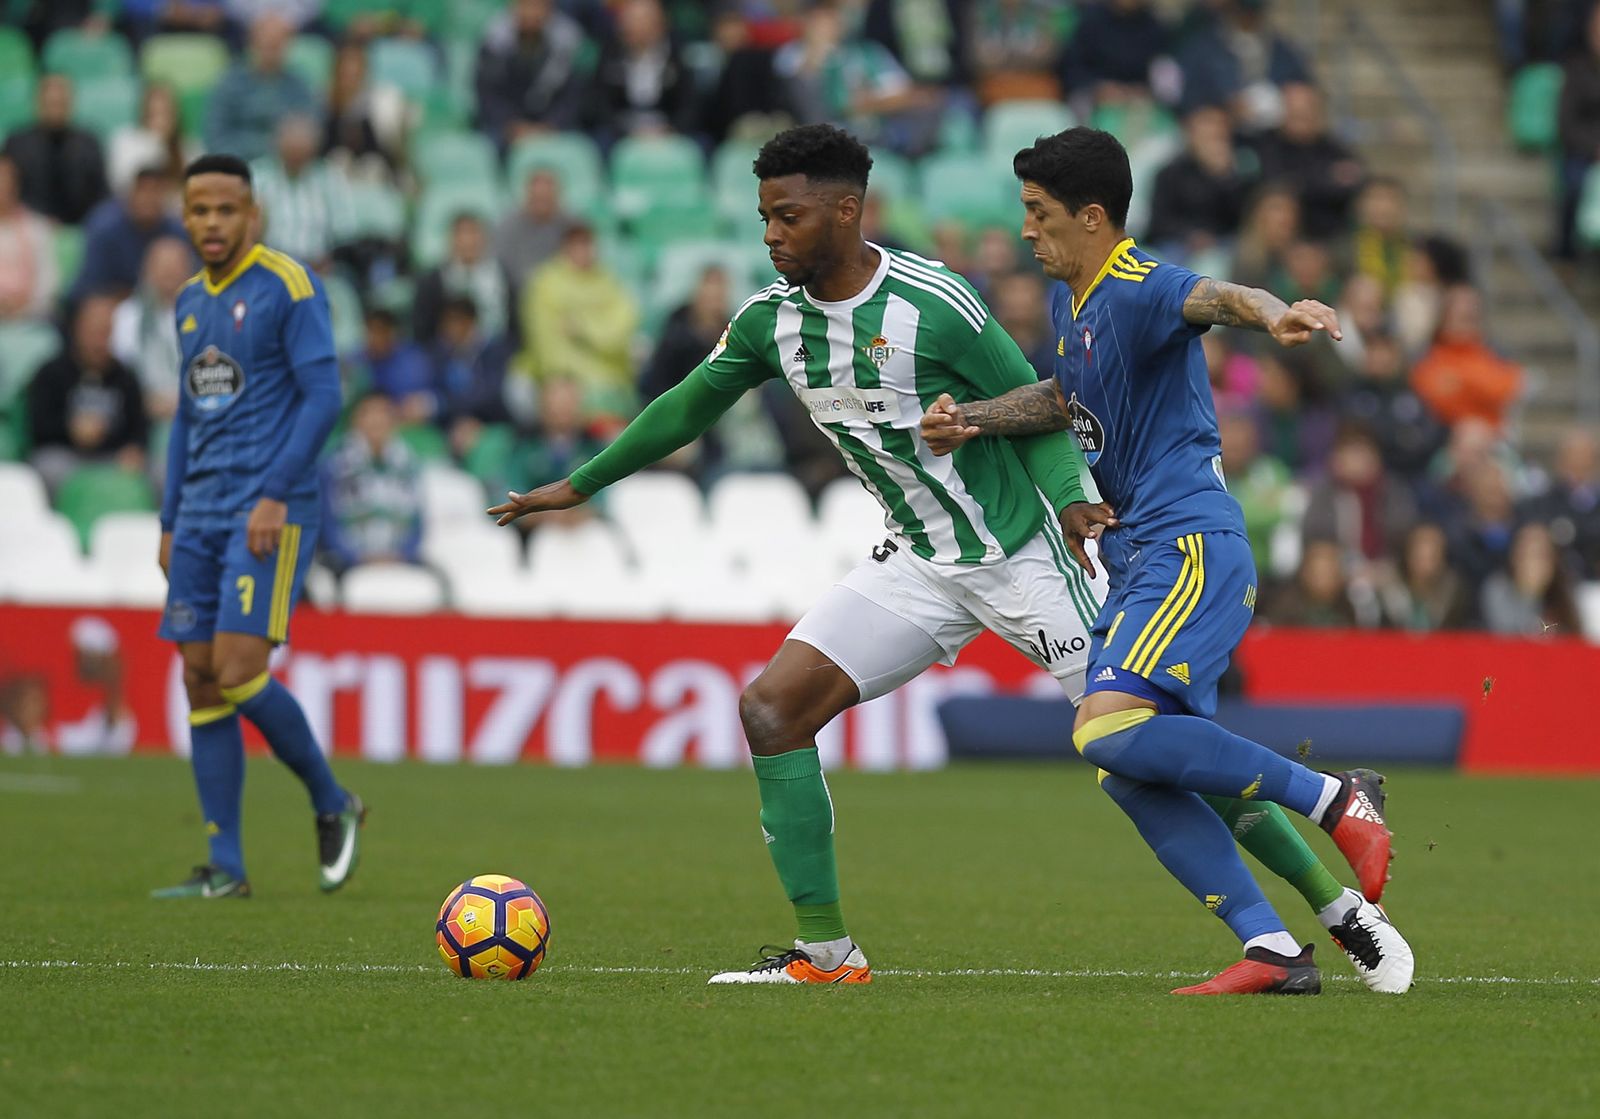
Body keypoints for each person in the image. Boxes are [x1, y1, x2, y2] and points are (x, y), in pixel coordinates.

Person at [490, 125, 1411, 994]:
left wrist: (1072, 499)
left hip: (1029, 557)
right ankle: (827, 952)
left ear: (844, 212)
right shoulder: (771, 323)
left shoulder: (937, 304)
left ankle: (1334, 908)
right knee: (772, 708)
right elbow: (685, 406)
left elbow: (1041, 400)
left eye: (788, 215)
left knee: (1140, 745)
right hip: (920, 562)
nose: (771, 234)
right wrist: (582, 483)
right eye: (765, 215)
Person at [920, 127, 1403, 995]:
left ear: (1093, 216)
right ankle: (1272, 947)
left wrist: (1276, 313)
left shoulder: (1138, 284)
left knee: (1105, 726)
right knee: (1125, 765)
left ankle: (1336, 798)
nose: (1026, 231)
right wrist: (975, 421)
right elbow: (1063, 400)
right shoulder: (1075, 305)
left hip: (1192, 547)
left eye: (1039, 213)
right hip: (1140, 555)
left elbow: (1219, 296)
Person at [153, 154, 363, 900]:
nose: (213, 223)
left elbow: (323, 396)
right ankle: (225, 867)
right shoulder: (185, 302)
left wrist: (275, 493)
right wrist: (170, 517)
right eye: (200, 210)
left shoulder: (289, 285)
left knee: (239, 669)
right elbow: (186, 415)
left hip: (265, 513)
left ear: (254, 214)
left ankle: (332, 799)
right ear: (185, 217)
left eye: (226, 210)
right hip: (201, 515)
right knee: (200, 677)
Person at [26, 296, 150, 493]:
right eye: (93, 332)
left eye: (105, 333)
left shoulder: (126, 377)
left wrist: (134, 449)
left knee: (159, 470)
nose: (98, 342)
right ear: (77, 330)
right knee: (48, 466)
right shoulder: (51, 372)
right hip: (66, 454)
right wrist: (71, 430)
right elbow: (37, 427)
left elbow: (139, 427)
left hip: (112, 457)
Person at [319, 391, 424, 575]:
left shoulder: (408, 464)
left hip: (400, 560)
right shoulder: (334, 465)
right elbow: (328, 524)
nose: (377, 420)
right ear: (354, 419)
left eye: (384, 413)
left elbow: (417, 523)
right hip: (347, 561)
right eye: (369, 413)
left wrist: (402, 555)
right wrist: (355, 557)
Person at [203, 12, 318, 164]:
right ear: (252, 43)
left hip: (287, 169)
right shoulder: (230, 82)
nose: (271, 51)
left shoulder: (299, 84)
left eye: (277, 45)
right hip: (238, 165)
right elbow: (215, 134)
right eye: (267, 44)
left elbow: (312, 128)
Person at [475, 0, 588, 147]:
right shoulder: (494, 42)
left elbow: (572, 96)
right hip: (505, 126)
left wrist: (550, 126)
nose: (531, 13)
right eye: (525, 5)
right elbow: (488, 94)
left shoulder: (568, 43)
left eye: (537, 5)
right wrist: (512, 126)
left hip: (554, 126)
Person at [1410, 285, 1524, 430]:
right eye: (1463, 316)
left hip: (1491, 436)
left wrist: (1461, 381)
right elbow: (1436, 399)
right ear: (1445, 317)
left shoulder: (1495, 352)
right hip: (1443, 437)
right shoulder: (1428, 356)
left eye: (1473, 315)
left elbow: (1508, 389)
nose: (1469, 311)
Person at [250, 114, 357, 269]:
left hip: (318, 268)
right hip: (267, 266)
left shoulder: (329, 178)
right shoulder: (257, 176)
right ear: (276, 145)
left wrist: (330, 259)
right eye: (290, 151)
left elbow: (345, 229)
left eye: (301, 152)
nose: (296, 157)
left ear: (313, 150)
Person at [70, 166, 187, 305]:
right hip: (111, 302)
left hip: (164, 304)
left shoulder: (177, 231)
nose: (148, 199)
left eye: (155, 191)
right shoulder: (105, 226)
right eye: (143, 190)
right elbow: (92, 286)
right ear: (131, 193)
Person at [2, 73, 109, 225]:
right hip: (26, 228)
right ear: (38, 103)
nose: (55, 110)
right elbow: (7, 192)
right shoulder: (17, 143)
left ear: (71, 103)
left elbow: (102, 195)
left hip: (81, 226)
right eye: (50, 103)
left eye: (61, 103)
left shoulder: (88, 143)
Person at [110, 235, 196, 422]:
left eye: (175, 267)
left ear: (189, 271)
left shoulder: (209, 315)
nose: (169, 274)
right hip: (142, 411)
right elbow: (120, 371)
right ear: (147, 271)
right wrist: (144, 400)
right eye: (162, 267)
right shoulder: (128, 315)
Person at [415, 212, 516, 347]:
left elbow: (513, 324)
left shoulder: (502, 275)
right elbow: (423, 329)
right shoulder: (433, 281)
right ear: (451, 239)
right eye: (461, 234)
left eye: (473, 233)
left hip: (495, 350)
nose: (468, 241)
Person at [0, 154, 58, 324]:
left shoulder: (37, 228)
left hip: (30, 320)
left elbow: (48, 283)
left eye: (5, 180)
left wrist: (22, 308)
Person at [495, 170, 577, 287]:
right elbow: (504, 263)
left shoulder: (571, 224)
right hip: (518, 289)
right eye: (537, 199)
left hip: (563, 290)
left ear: (557, 197)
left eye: (546, 199)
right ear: (527, 196)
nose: (542, 204)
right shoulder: (508, 225)